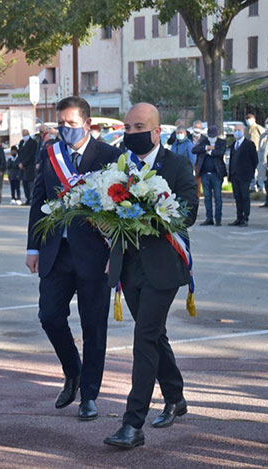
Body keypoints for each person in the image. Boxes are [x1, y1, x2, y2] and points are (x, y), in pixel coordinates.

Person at [102, 103, 198, 448]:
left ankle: (132, 424)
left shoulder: (177, 164)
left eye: (138, 127)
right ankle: (175, 395)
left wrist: (151, 212)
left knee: (144, 338)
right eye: (127, 128)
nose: (131, 134)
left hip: (163, 266)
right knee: (154, 335)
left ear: (156, 131)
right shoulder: (120, 165)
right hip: (129, 266)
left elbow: (188, 211)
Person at [26, 96, 121, 423]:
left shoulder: (109, 155)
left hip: (96, 256)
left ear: (87, 124)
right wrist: (33, 247)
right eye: (61, 123)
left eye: (71, 123)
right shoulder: (50, 153)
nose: (65, 129)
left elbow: (122, 206)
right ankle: (73, 371)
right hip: (57, 252)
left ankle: (89, 396)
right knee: (49, 316)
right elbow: (39, 199)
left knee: (94, 327)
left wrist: (118, 253)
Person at [193, 125, 226, 226]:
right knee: (207, 197)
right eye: (210, 136)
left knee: (217, 196)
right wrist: (206, 148)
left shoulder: (221, 142)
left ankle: (218, 218)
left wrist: (210, 152)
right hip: (204, 174)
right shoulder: (204, 142)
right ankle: (209, 218)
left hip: (216, 174)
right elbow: (194, 150)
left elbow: (221, 152)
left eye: (213, 136)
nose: (212, 138)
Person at [228, 123, 258, 227]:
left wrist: (250, 172)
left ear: (243, 131)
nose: (236, 132)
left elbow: (255, 160)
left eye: (239, 130)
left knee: (245, 196)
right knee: (237, 197)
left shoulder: (249, 144)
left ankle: (245, 217)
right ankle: (239, 217)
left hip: (245, 175)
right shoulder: (233, 145)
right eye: (235, 130)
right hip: (234, 175)